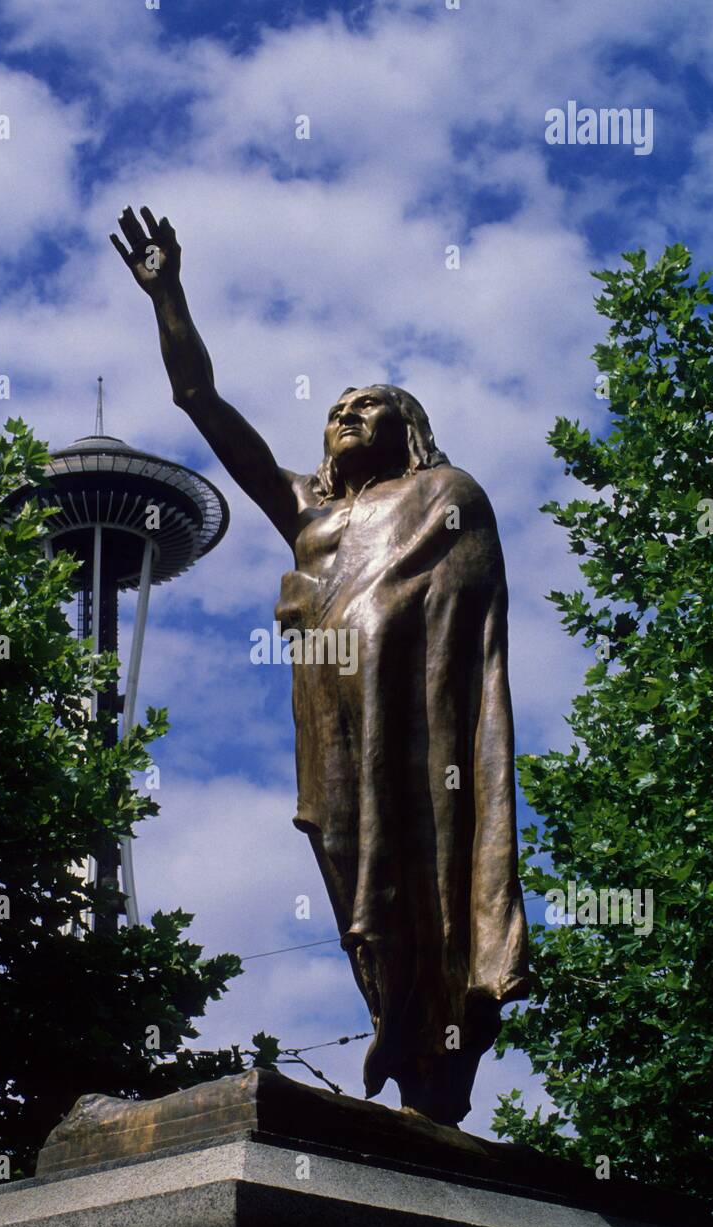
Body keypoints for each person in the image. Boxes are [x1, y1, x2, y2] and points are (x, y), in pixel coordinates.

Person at [112, 206, 529, 1125]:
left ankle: (436, 1069)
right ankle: (399, 1028)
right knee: (350, 874)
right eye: (335, 408)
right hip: (329, 723)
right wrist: (168, 296)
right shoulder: (306, 509)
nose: (344, 415)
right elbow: (203, 406)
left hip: (415, 730)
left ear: (406, 428)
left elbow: (462, 627)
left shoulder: (445, 493)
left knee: (417, 870)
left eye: (365, 405)